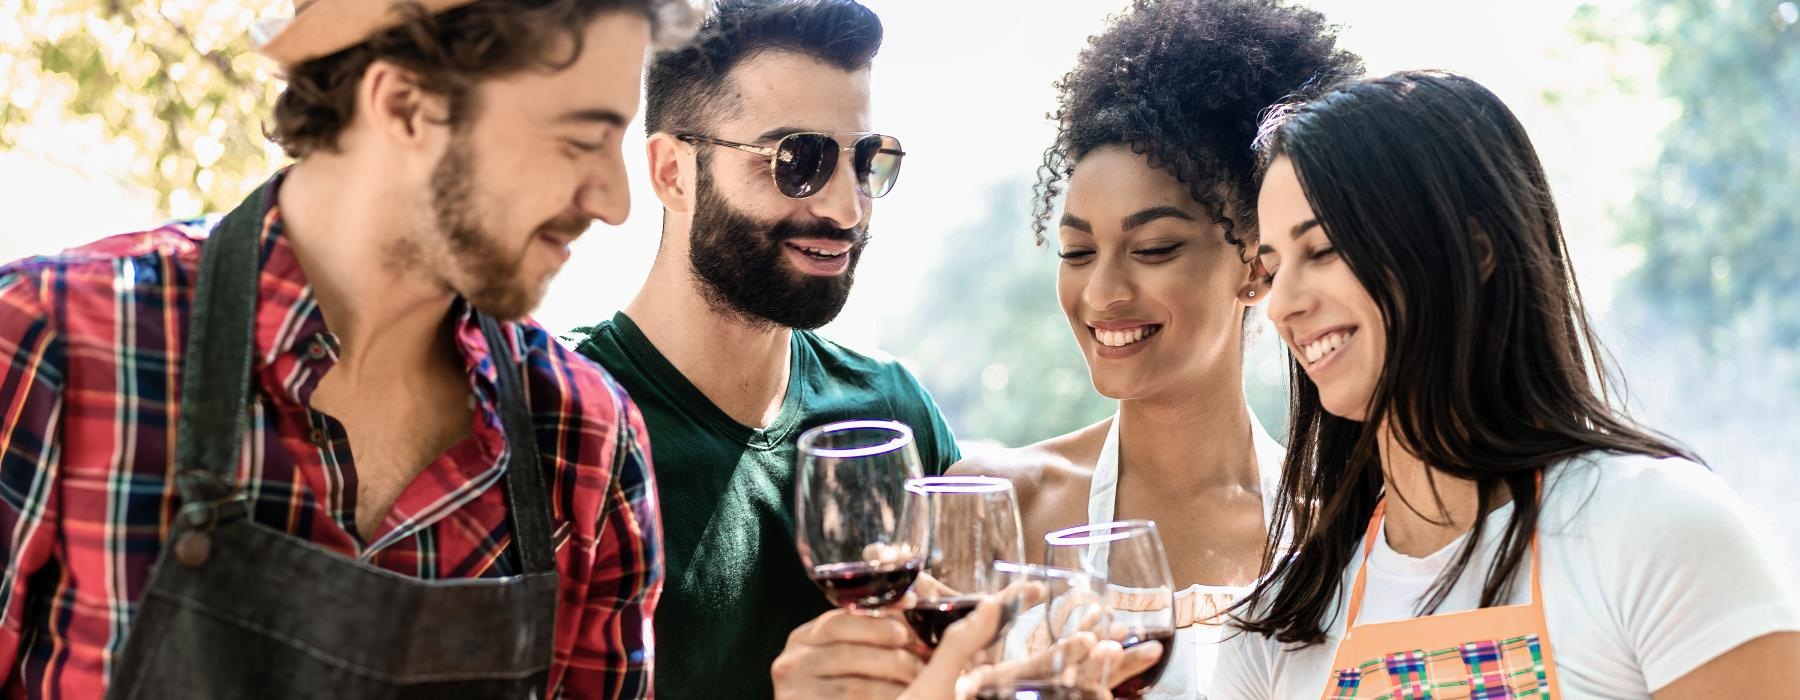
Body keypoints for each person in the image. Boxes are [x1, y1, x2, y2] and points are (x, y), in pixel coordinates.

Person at [0, 1, 696, 696]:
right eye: (580, 139)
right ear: (404, 105)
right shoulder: (51, 339)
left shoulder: (588, 439)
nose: (615, 202)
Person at [1216, 69, 1800, 698]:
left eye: (1323, 250)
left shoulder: (1657, 527)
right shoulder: (1278, 623)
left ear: (1476, 248)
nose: (1281, 305)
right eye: (1274, 270)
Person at [945, 1, 1360, 696]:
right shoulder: (996, 507)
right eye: (1077, 251)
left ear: (1257, 266)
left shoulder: (1336, 532)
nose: (1103, 292)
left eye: (1153, 248)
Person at [565, 1, 960, 697]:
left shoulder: (895, 413)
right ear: (672, 172)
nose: (846, 208)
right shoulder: (563, 424)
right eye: (797, 161)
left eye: (866, 161)